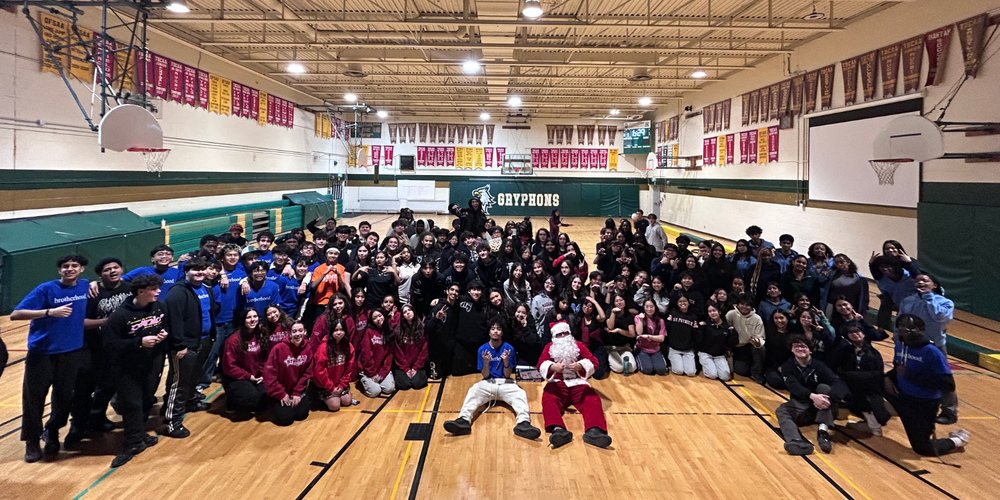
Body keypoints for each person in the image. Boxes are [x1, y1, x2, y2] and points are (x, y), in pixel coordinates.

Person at [11, 254, 91, 463]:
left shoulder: (85, 286)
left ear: (81, 269)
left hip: (72, 352)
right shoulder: (45, 289)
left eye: (74, 266)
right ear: (59, 270)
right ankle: (32, 441)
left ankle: (52, 432)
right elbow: (16, 314)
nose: (69, 269)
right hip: (42, 353)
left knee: (64, 398)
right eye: (65, 266)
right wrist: (49, 312)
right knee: (34, 399)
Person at [101, 273, 168, 468]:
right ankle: (131, 444)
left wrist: (164, 333)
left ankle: (140, 435)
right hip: (126, 367)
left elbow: (165, 325)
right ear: (141, 291)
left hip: (152, 362)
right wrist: (139, 342)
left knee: (147, 400)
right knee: (131, 404)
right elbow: (110, 344)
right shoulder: (120, 316)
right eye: (154, 289)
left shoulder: (159, 307)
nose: (158, 292)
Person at [885, 314, 970, 456]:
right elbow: (898, 368)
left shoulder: (932, 352)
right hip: (901, 395)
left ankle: (958, 440)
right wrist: (887, 378)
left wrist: (910, 375)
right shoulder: (900, 346)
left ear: (920, 329)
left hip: (923, 403)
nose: (905, 329)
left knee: (922, 448)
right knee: (866, 379)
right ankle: (875, 415)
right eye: (902, 326)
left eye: (911, 327)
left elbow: (948, 384)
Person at [442, 320, 542, 440]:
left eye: (498, 329)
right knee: (473, 390)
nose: (495, 331)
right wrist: (486, 363)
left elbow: (507, 375)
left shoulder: (508, 349)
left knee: (520, 393)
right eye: (493, 328)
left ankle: (523, 423)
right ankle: (463, 420)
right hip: (488, 383)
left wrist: (506, 362)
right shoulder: (482, 350)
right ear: (489, 332)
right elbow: (484, 375)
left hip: (505, 383)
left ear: (502, 332)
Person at [69, 257, 132, 444]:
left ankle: (97, 417)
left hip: (119, 348)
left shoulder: (130, 289)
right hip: (93, 347)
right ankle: (78, 426)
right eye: (107, 269)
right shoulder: (91, 293)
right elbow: (80, 323)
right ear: (99, 275)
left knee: (109, 386)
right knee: (83, 389)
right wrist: (108, 322)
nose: (112, 271)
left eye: (116, 267)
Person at [163, 258, 216, 439]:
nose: (199, 273)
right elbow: (173, 320)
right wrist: (179, 344)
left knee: (194, 375)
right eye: (195, 270)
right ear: (186, 272)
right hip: (185, 346)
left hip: (204, 340)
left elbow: (209, 313)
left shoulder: (206, 288)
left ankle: (191, 401)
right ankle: (172, 420)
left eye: (202, 269)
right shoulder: (177, 292)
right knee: (180, 382)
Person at [537, 321, 612, 449]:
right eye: (560, 334)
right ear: (555, 336)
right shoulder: (549, 348)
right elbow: (540, 365)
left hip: (577, 383)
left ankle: (594, 430)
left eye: (566, 333)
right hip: (558, 383)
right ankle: (558, 429)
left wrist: (580, 366)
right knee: (548, 399)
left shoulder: (578, 346)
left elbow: (593, 361)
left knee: (592, 399)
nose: (564, 337)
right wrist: (553, 367)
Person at [897, 273, 957, 425]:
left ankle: (949, 411)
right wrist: (897, 340)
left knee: (942, 379)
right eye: (918, 281)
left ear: (934, 285)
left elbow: (938, 317)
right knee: (909, 374)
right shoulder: (908, 301)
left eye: (925, 280)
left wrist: (928, 297)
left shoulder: (945, 303)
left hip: (934, 347)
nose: (921, 282)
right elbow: (900, 321)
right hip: (909, 346)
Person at [776, 335, 847, 455]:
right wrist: (813, 396)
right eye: (796, 346)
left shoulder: (819, 366)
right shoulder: (788, 367)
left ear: (810, 350)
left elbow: (838, 384)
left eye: (803, 346)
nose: (800, 348)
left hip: (824, 408)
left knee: (823, 387)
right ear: (792, 350)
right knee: (781, 411)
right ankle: (796, 441)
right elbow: (793, 386)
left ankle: (823, 432)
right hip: (803, 405)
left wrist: (829, 399)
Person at [830, 325, 890, 436]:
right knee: (834, 394)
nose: (855, 334)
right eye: (851, 332)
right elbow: (835, 364)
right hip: (848, 382)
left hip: (867, 385)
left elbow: (878, 373)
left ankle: (871, 420)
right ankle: (829, 420)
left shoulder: (873, 353)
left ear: (863, 333)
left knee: (881, 417)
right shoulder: (844, 350)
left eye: (857, 331)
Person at [263, 321, 313, 426]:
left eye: (300, 330)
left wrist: (297, 392)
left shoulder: (308, 348)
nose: (298, 334)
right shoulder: (278, 349)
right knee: (286, 419)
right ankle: (271, 403)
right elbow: (269, 375)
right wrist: (281, 393)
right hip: (280, 391)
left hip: (296, 390)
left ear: (305, 332)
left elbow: (307, 373)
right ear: (289, 334)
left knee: (301, 415)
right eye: (294, 331)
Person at [221, 309, 267, 416]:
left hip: (254, 376)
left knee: (266, 398)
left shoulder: (258, 335)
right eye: (249, 317)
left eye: (255, 316)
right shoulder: (233, 340)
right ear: (243, 320)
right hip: (236, 378)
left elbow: (263, 358)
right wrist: (248, 376)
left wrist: (263, 374)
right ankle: (231, 400)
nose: (252, 320)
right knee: (249, 397)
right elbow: (229, 367)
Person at [312, 318, 356, 412]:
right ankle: (316, 396)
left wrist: (341, 385)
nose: (339, 333)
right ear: (331, 331)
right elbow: (320, 371)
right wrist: (331, 388)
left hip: (339, 382)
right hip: (325, 384)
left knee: (347, 401)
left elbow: (349, 369)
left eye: (341, 330)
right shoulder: (323, 347)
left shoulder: (348, 346)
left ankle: (338, 393)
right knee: (335, 406)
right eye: (336, 330)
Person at [726, 294, 766, 384]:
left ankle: (757, 373)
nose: (744, 307)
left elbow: (761, 336)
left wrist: (758, 343)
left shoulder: (757, 318)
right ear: (738, 304)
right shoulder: (731, 314)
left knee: (761, 349)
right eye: (742, 304)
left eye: (747, 305)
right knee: (742, 371)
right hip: (736, 347)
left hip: (750, 346)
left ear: (751, 307)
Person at [454, 281, 491, 375]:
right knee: (458, 373)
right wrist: (438, 300)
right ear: (469, 291)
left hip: (479, 345)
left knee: (480, 373)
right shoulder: (461, 300)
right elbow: (448, 301)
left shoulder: (485, 305)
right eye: (473, 289)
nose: (476, 292)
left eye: (478, 290)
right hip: (462, 344)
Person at [425, 284, 460, 379]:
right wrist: (436, 318)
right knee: (436, 377)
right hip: (436, 348)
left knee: (451, 374)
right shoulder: (438, 307)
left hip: (449, 348)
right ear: (447, 291)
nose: (454, 292)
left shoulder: (457, 309)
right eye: (452, 290)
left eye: (456, 291)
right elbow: (427, 327)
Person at [359, 309, 395, 397]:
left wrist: (382, 373)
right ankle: (363, 380)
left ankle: (375, 382)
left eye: (380, 316)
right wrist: (372, 374)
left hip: (380, 369)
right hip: (368, 369)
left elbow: (389, 356)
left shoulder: (388, 332)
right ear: (372, 320)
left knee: (389, 389)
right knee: (375, 392)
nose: (378, 319)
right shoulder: (368, 332)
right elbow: (366, 355)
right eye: (375, 318)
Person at [392, 305, 429, 391]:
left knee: (418, 383)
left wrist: (415, 368)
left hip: (417, 364)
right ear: (403, 317)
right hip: (403, 365)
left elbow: (424, 350)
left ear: (414, 312)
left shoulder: (422, 328)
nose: (408, 312)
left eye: (409, 310)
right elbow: (398, 352)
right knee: (404, 385)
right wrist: (406, 369)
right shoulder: (398, 330)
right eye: (405, 312)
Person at [698, 304, 737, 380]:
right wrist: (700, 329)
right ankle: (707, 367)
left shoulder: (726, 327)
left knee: (725, 377)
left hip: (719, 355)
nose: (712, 313)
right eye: (710, 311)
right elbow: (699, 340)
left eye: (714, 310)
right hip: (706, 353)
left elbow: (729, 343)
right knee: (713, 375)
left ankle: (715, 366)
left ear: (719, 312)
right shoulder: (705, 324)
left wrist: (732, 333)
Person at [665, 295, 699, 377]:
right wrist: (668, 322)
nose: (683, 303)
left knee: (691, 373)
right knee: (679, 371)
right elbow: (666, 330)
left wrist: (695, 329)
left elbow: (695, 335)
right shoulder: (673, 314)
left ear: (688, 303)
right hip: (674, 348)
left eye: (685, 301)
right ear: (677, 303)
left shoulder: (693, 317)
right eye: (680, 301)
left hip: (688, 349)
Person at [604, 294, 637, 374]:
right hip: (611, 347)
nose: (619, 302)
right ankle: (608, 357)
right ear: (614, 303)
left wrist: (619, 330)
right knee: (619, 368)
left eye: (621, 300)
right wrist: (613, 313)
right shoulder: (609, 312)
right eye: (616, 301)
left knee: (632, 368)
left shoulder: (628, 315)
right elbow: (610, 326)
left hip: (624, 347)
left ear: (625, 301)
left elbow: (632, 334)